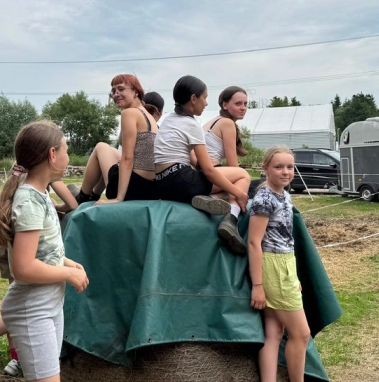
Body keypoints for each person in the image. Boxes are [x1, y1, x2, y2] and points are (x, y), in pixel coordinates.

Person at [0, 120, 89, 382]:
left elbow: (41, 251)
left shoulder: (39, 195)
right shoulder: (31, 201)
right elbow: (23, 268)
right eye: (64, 148)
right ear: (52, 155)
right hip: (33, 308)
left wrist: (66, 262)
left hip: (46, 305)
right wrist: (66, 274)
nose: (68, 154)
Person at [0, 181, 78, 378]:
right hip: (25, 248)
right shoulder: (37, 185)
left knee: (21, 306)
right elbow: (73, 203)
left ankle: (16, 359)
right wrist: (57, 206)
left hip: (13, 246)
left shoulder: (22, 182)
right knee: (22, 307)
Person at [248, 146, 326, 382]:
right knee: (301, 333)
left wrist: (293, 275)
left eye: (290, 167)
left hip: (283, 266)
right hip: (272, 268)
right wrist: (258, 285)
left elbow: (285, 239)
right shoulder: (265, 199)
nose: (285, 172)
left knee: (274, 332)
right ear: (266, 168)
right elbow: (255, 242)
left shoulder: (283, 195)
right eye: (279, 167)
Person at [154, 75, 251, 254]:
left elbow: (192, 157)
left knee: (223, 186)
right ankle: (232, 220)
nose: (206, 103)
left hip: (162, 183)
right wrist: (239, 194)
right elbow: (208, 169)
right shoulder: (191, 124)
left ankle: (210, 200)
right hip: (181, 179)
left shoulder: (169, 119)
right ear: (193, 98)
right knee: (243, 175)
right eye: (204, 98)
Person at [73, 74, 160, 204]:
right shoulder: (149, 116)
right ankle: (93, 195)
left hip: (135, 188)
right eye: (113, 91)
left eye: (121, 89)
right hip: (150, 187)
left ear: (135, 91)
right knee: (111, 153)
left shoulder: (129, 113)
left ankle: (81, 199)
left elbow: (127, 158)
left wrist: (119, 198)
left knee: (101, 147)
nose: (116, 94)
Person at [202, 86, 248, 167]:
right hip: (213, 169)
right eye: (238, 104)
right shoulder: (227, 123)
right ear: (225, 105)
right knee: (244, 176)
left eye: (245, 104)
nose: (243, 108)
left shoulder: (214, 121)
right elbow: (232, 165)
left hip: (202, 168)